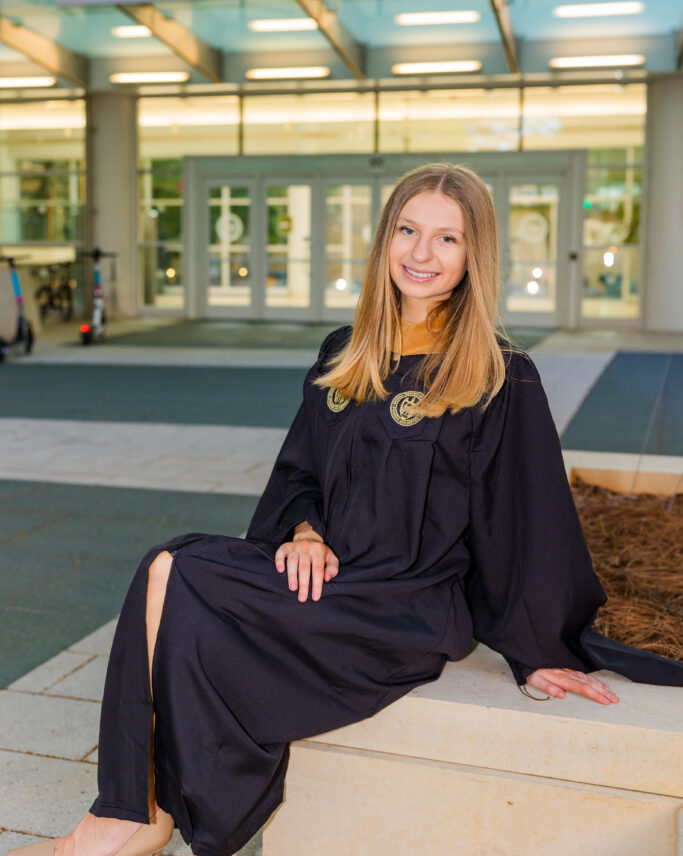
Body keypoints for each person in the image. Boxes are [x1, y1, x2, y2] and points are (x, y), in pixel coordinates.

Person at [10, 162, 683, 856]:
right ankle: (134, 812)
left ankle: (126, 821)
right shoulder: (344, 353)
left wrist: (534, 652)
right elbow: (299, 472)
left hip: (404, 602)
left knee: (178, 578)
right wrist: (303, 529)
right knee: (168, 568)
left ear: (472, 255)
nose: (421, 254)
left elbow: (524, 521)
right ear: (384, 237)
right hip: (327, 574)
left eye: (446, 239)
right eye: (408, 229)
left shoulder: (497, 375)